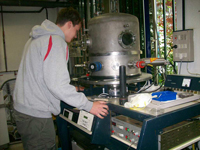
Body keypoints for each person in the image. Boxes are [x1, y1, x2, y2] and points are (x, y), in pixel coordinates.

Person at [13, 7, 109, 150]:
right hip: (36, 114)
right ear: (69, 24)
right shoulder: (56, 41)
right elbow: (57, 85)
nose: (76, 36)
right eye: (76, 30)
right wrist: (90, 106)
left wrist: (73, 89)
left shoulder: (36, 38)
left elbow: (39, 76)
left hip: (24, 110)